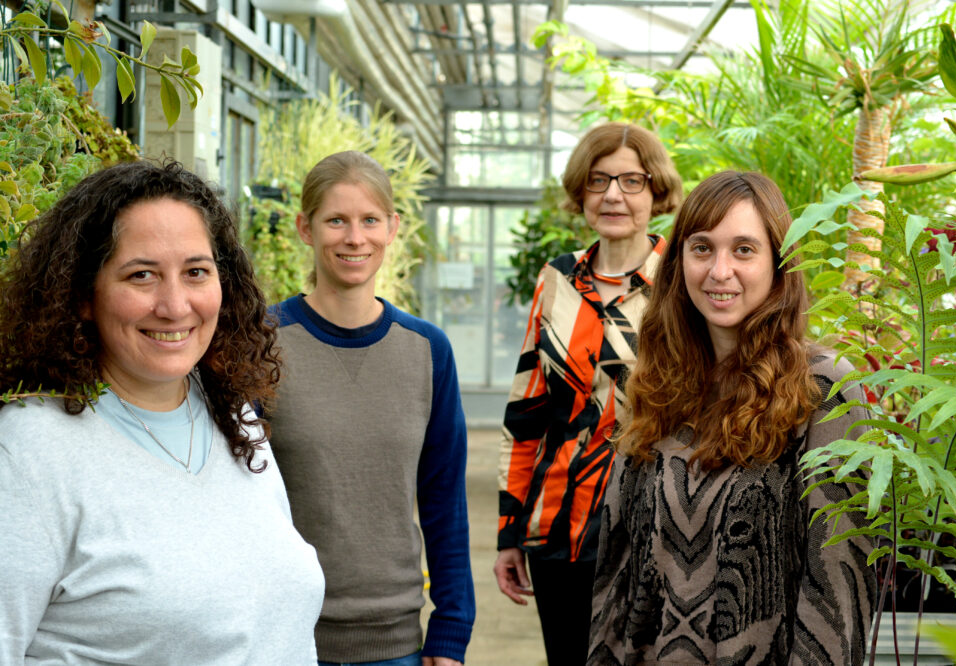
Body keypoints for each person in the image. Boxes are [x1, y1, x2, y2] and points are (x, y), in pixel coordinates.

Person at [0, 160, 325, 664]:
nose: (175, 305)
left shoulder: (230, 415)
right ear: (84, 295)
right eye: (142, 275)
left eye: (196, 272)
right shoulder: (28, 452)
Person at [588, 171, 877, 664]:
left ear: (779, 262)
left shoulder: (824, 388)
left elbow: (838, 590)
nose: (720, 271)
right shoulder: (656, 384)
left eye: (744, 249)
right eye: (702, 248)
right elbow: (617, 573)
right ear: (679, 261)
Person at [264, 151, 475, 666]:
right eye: (336, 220)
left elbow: (444, 499)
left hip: (395, 643)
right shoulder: (260, 345)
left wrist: (452, 627)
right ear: (305, 229)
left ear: (392, 228)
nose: (354, 238)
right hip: (281, 636)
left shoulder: (427, 350)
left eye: (369, 220)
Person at [495, 121, 683, 665]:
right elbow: (526, 410)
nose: (613, 195)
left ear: (656, 191)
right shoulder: (555, 280)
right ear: (582, 192)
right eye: (599, 180)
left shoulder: (681, 278)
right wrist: (511, 530)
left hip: (657, 526)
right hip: (561, 527)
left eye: (631, 180)